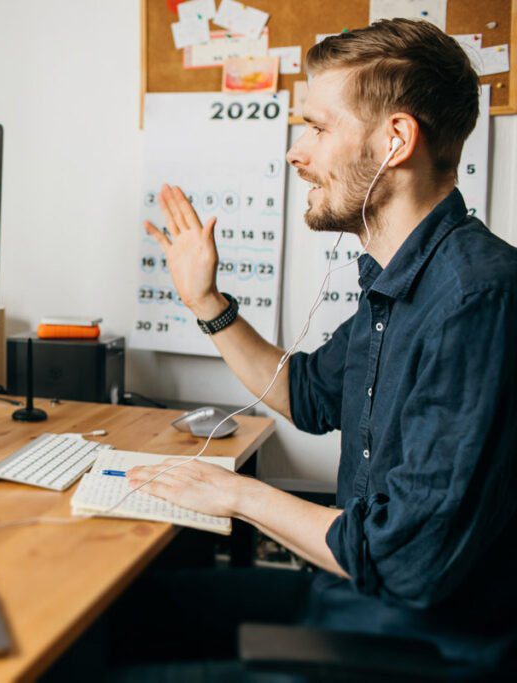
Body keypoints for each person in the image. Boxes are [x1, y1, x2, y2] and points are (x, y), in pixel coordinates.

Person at [113, 19, 517, 679]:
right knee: (121, 617)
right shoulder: (401, 281)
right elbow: (306, 395)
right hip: (350, 602)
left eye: (319, 128)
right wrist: (205, 303)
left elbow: (406, 561)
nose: (297, 153)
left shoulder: (476, 299)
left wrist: (238, 496)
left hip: (418, 650)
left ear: (396, 140)